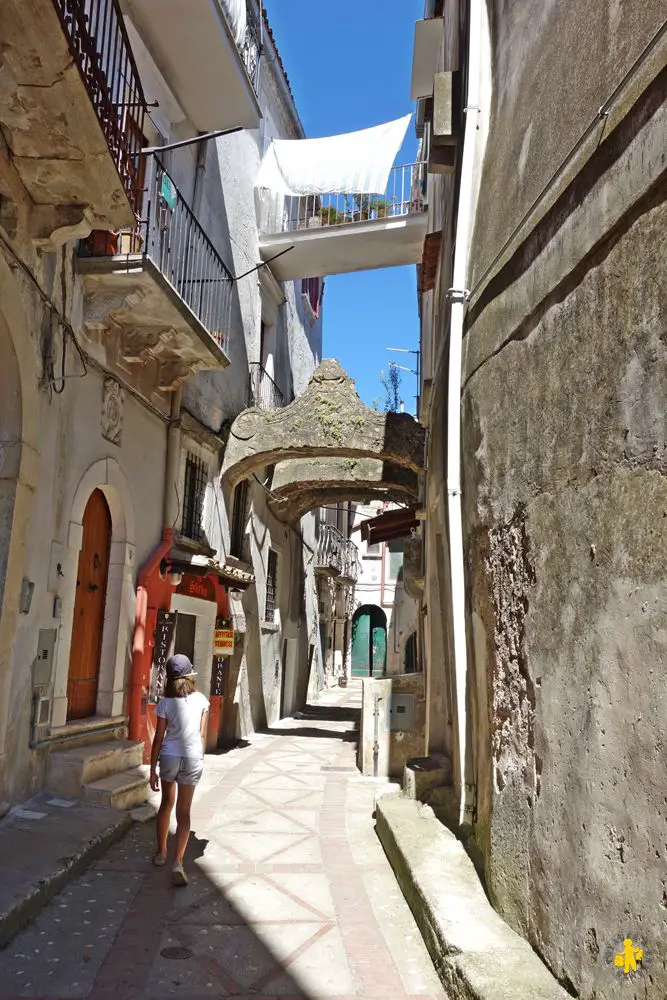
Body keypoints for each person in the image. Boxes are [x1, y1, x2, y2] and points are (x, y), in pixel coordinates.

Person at [149, 653, 209, 885]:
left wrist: (152, 768)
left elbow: (158, 737)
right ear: (189, 676)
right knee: (184, 813)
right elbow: (202, 735)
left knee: (166, 804)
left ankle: (161, 852)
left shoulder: (165, 703)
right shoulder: (202, 700)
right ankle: (178, 861)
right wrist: (199, 757)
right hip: (193, 758)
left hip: (169, 757)